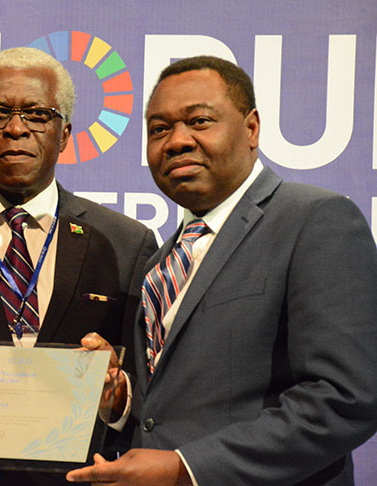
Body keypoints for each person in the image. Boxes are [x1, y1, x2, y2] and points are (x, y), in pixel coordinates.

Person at [65, 56, 377, 485]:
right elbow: (176, 409)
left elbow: (346, 398)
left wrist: (186, 470)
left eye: (199, 121)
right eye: (158, 129)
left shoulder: (315, 220)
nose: (176, 141)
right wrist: (122, 401)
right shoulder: (162, 260)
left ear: (251, 128)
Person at [0, 47, 158, 485]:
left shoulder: (126, 241)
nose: (15, 128)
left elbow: (144, 382)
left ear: (64, 134)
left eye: (37, 114)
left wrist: (116, 399)